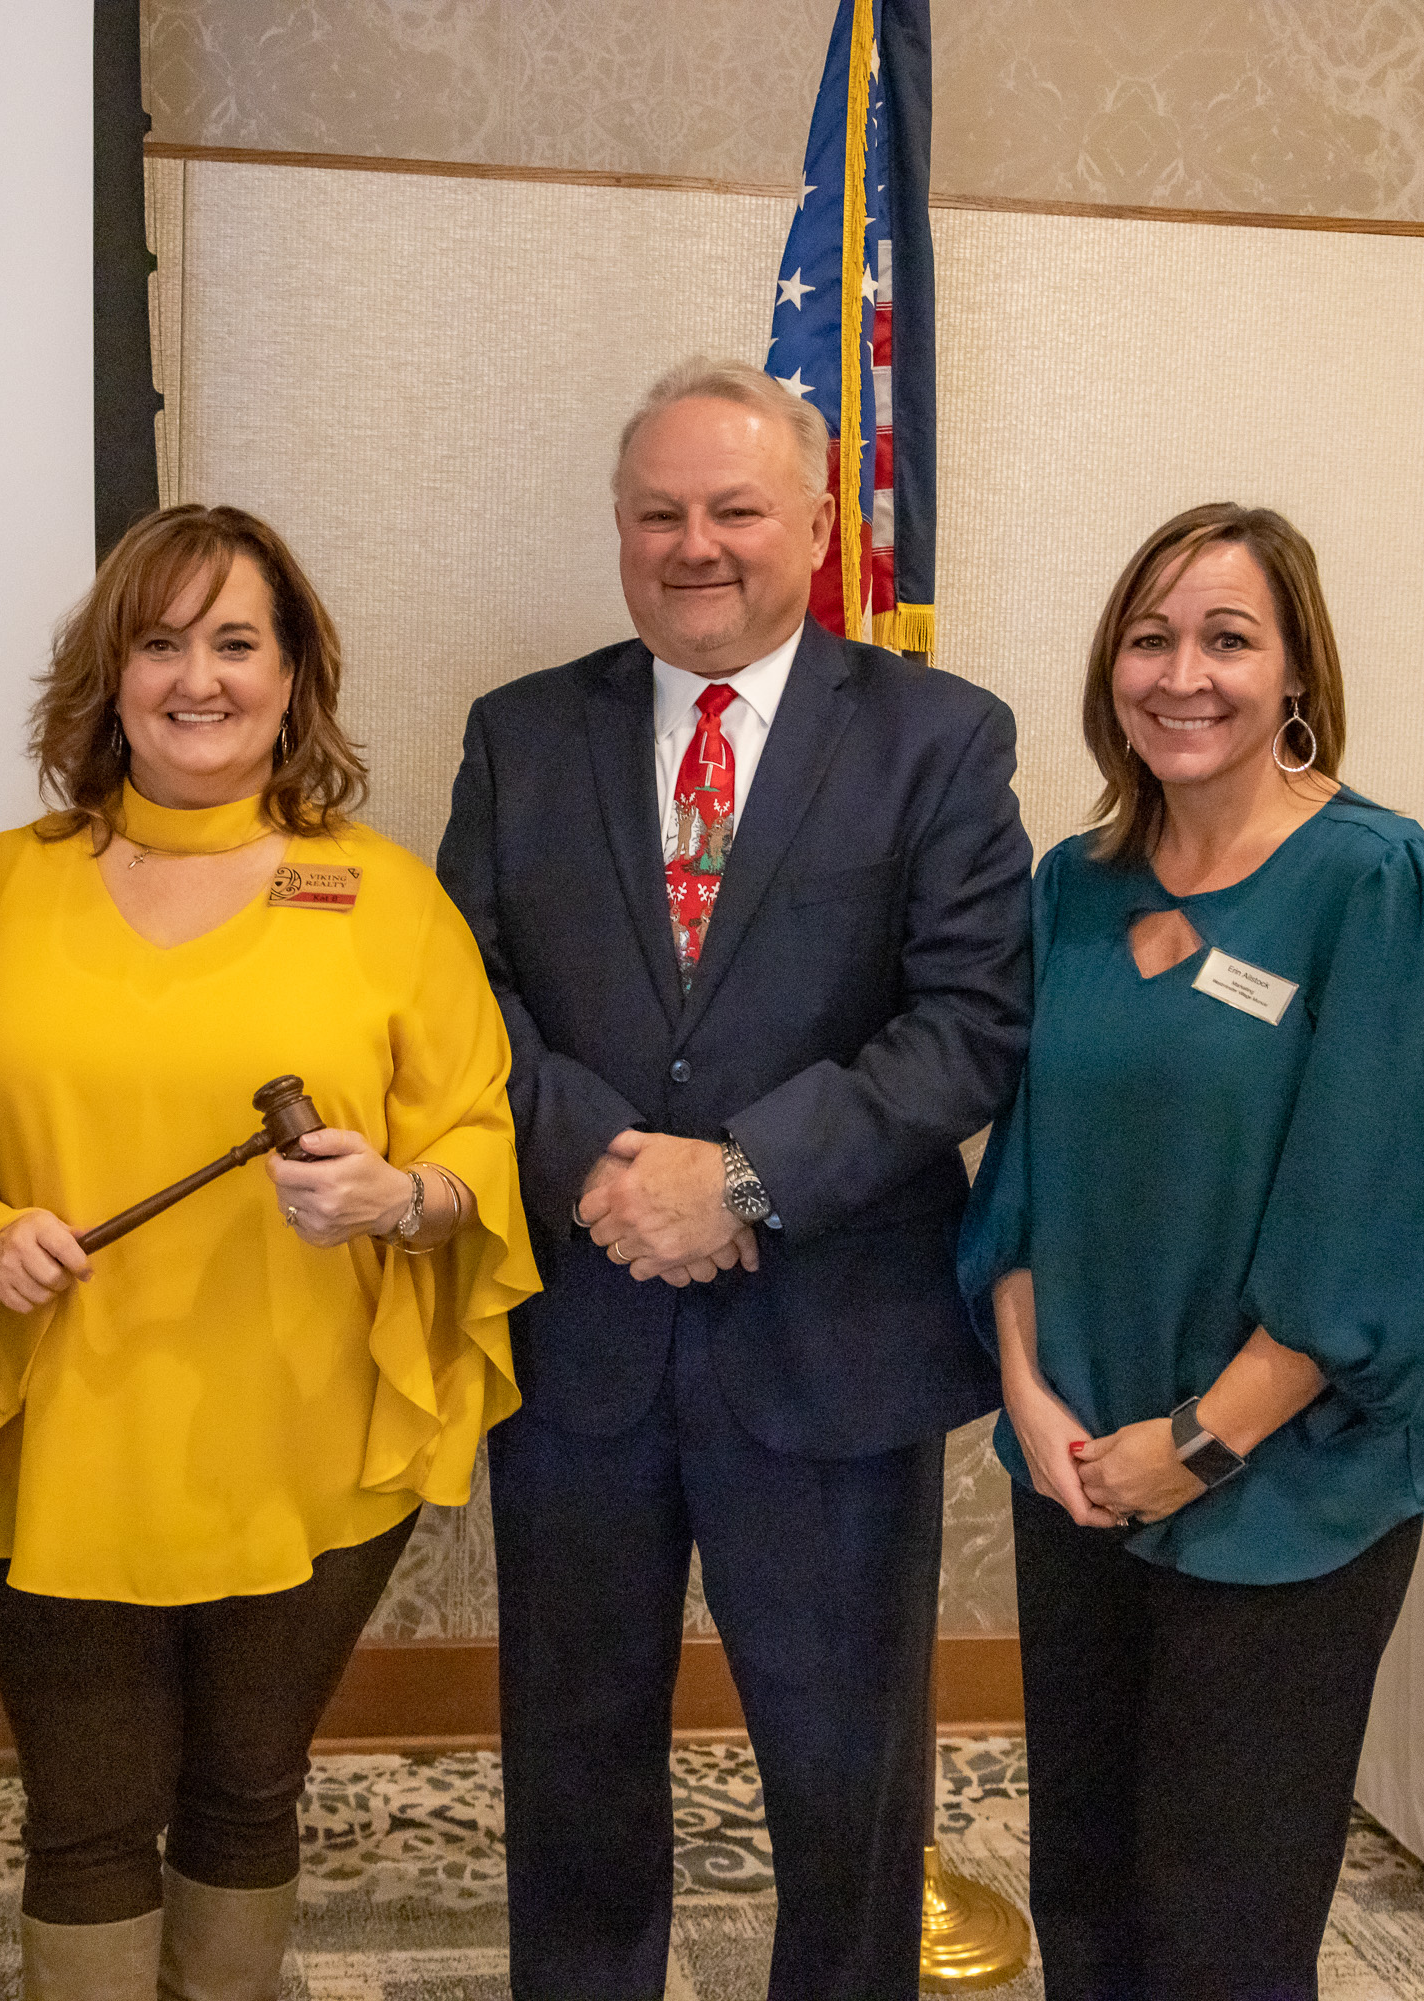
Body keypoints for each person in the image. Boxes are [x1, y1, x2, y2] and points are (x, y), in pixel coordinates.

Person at [435, 356, 1034, 1999]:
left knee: (847, 1779)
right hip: (585, 1340)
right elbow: (461, 994)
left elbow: (972, 1021)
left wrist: (745, 1179)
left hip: (831, 1346)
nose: (694, 544)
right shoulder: (520, 734)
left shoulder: (937, 738)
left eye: (735, 509)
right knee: (573, 1760)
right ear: (620, 530)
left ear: (819, 525)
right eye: (659, 514)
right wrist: (604, 1164)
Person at [0, 504, 537, 2000]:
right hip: (59, 1428)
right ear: (109, 676)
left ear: (293, 674)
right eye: (160, 642)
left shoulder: (384, 896)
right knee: (85, 1810)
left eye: (236, 642)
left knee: (249, 1786)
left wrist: (399, 1196)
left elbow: (480, 1137)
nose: (199, 678)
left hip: (304, 1435)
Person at [957, 502, 1424, 1998]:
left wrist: (1195, 1444)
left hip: (1280, 1494)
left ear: (1297, 670)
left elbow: (1370, 1215)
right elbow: (1026, 1175)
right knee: (1086, 1897)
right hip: (1080, 1477)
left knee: (1221, 1935)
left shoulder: (1376, 882)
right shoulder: (1075, 883)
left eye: (1228, 639)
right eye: (1150, 638)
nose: (1182, 675)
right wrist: (1033, 1404)